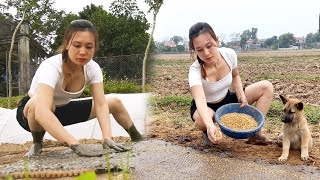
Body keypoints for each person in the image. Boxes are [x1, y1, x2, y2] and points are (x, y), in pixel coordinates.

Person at [16, 19, 143, 157]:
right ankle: (37, 143)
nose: (83, 52)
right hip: (31, 115)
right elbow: (42, 112)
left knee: (114, 102)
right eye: (77, 45)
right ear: (66, 45)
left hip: (63, 110)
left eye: (89, 47)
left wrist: (107, 137)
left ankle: (138, 138)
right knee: (38, 103)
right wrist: (75, 145)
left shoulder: (93, 68)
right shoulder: (51, 66)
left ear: (95, 48)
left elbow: (101, 105)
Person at [188, 22, 274, 145]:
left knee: (266, 86)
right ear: (194, 50)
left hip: (227, 99)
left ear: (217, 41)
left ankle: (255, 134)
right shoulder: (194, 70)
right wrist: (209, 125)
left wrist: (240, 94)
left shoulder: (229, 55)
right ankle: (208, 131)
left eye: (209, 46)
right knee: (202, 120)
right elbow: (200, 100)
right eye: (199, 50)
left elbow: (235, 75)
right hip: (207, 105)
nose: (206, 53)